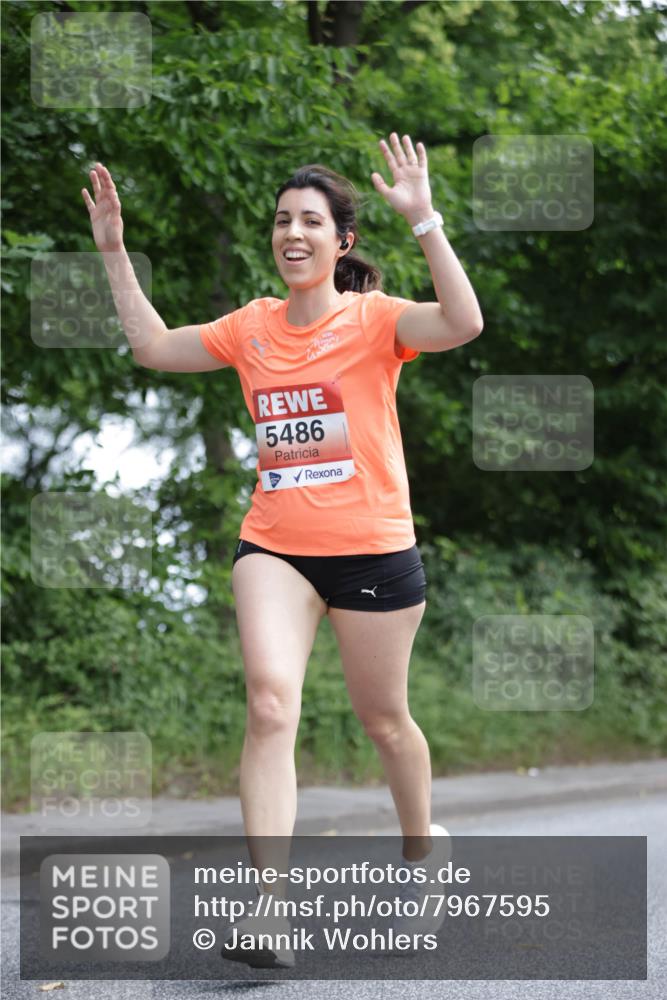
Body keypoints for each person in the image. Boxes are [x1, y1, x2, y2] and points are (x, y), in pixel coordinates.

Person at [82, 131, 483, 970]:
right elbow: (153, 347)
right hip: (276, 546)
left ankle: (423, 853)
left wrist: (425, 219)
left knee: (384, 722)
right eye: (280, 220)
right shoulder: (251, 327)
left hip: (372, 550)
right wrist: (115, 252)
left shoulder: (376, 321)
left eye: (309, 221)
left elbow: (463, 321)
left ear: (341, 242)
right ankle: (270, 909)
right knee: (269, 706)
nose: (291, 233)